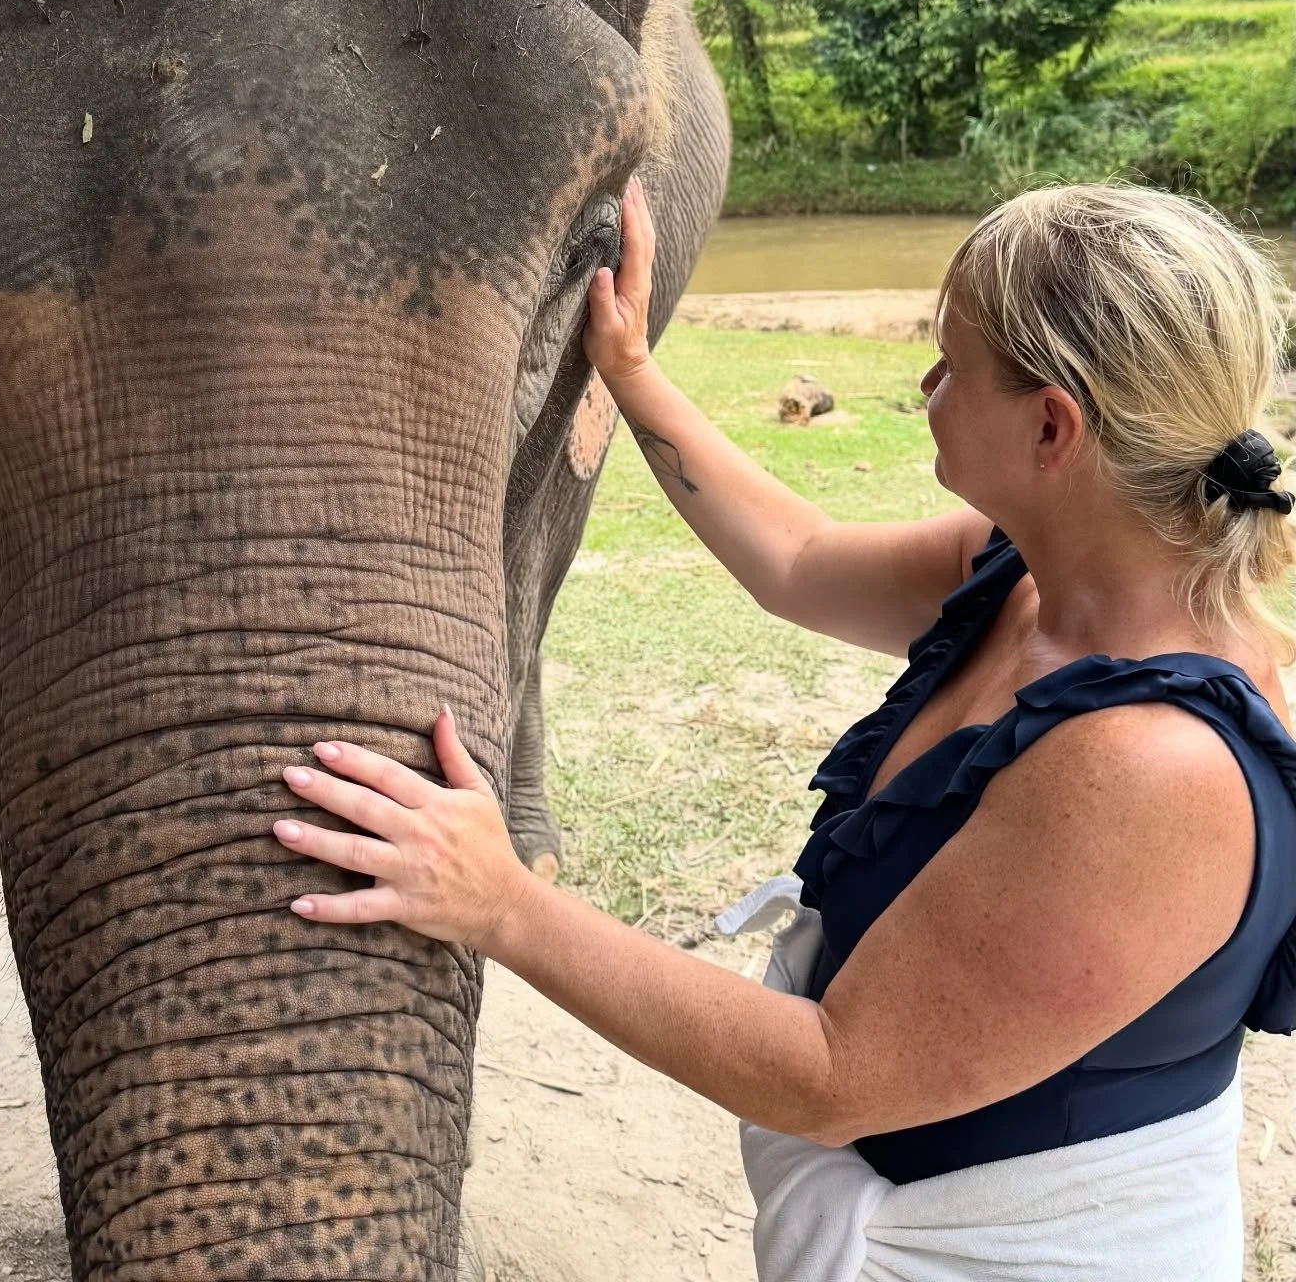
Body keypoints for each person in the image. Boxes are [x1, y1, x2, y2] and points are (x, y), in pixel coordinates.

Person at [271, 180, 1296, 1281]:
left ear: (1052, 426)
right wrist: (628, 369)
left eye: (951, 363)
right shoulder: (1028, 577)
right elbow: (798, 562)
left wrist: (501, 903)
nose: (926, 385)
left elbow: (832, 1074)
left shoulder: (1153, 767)